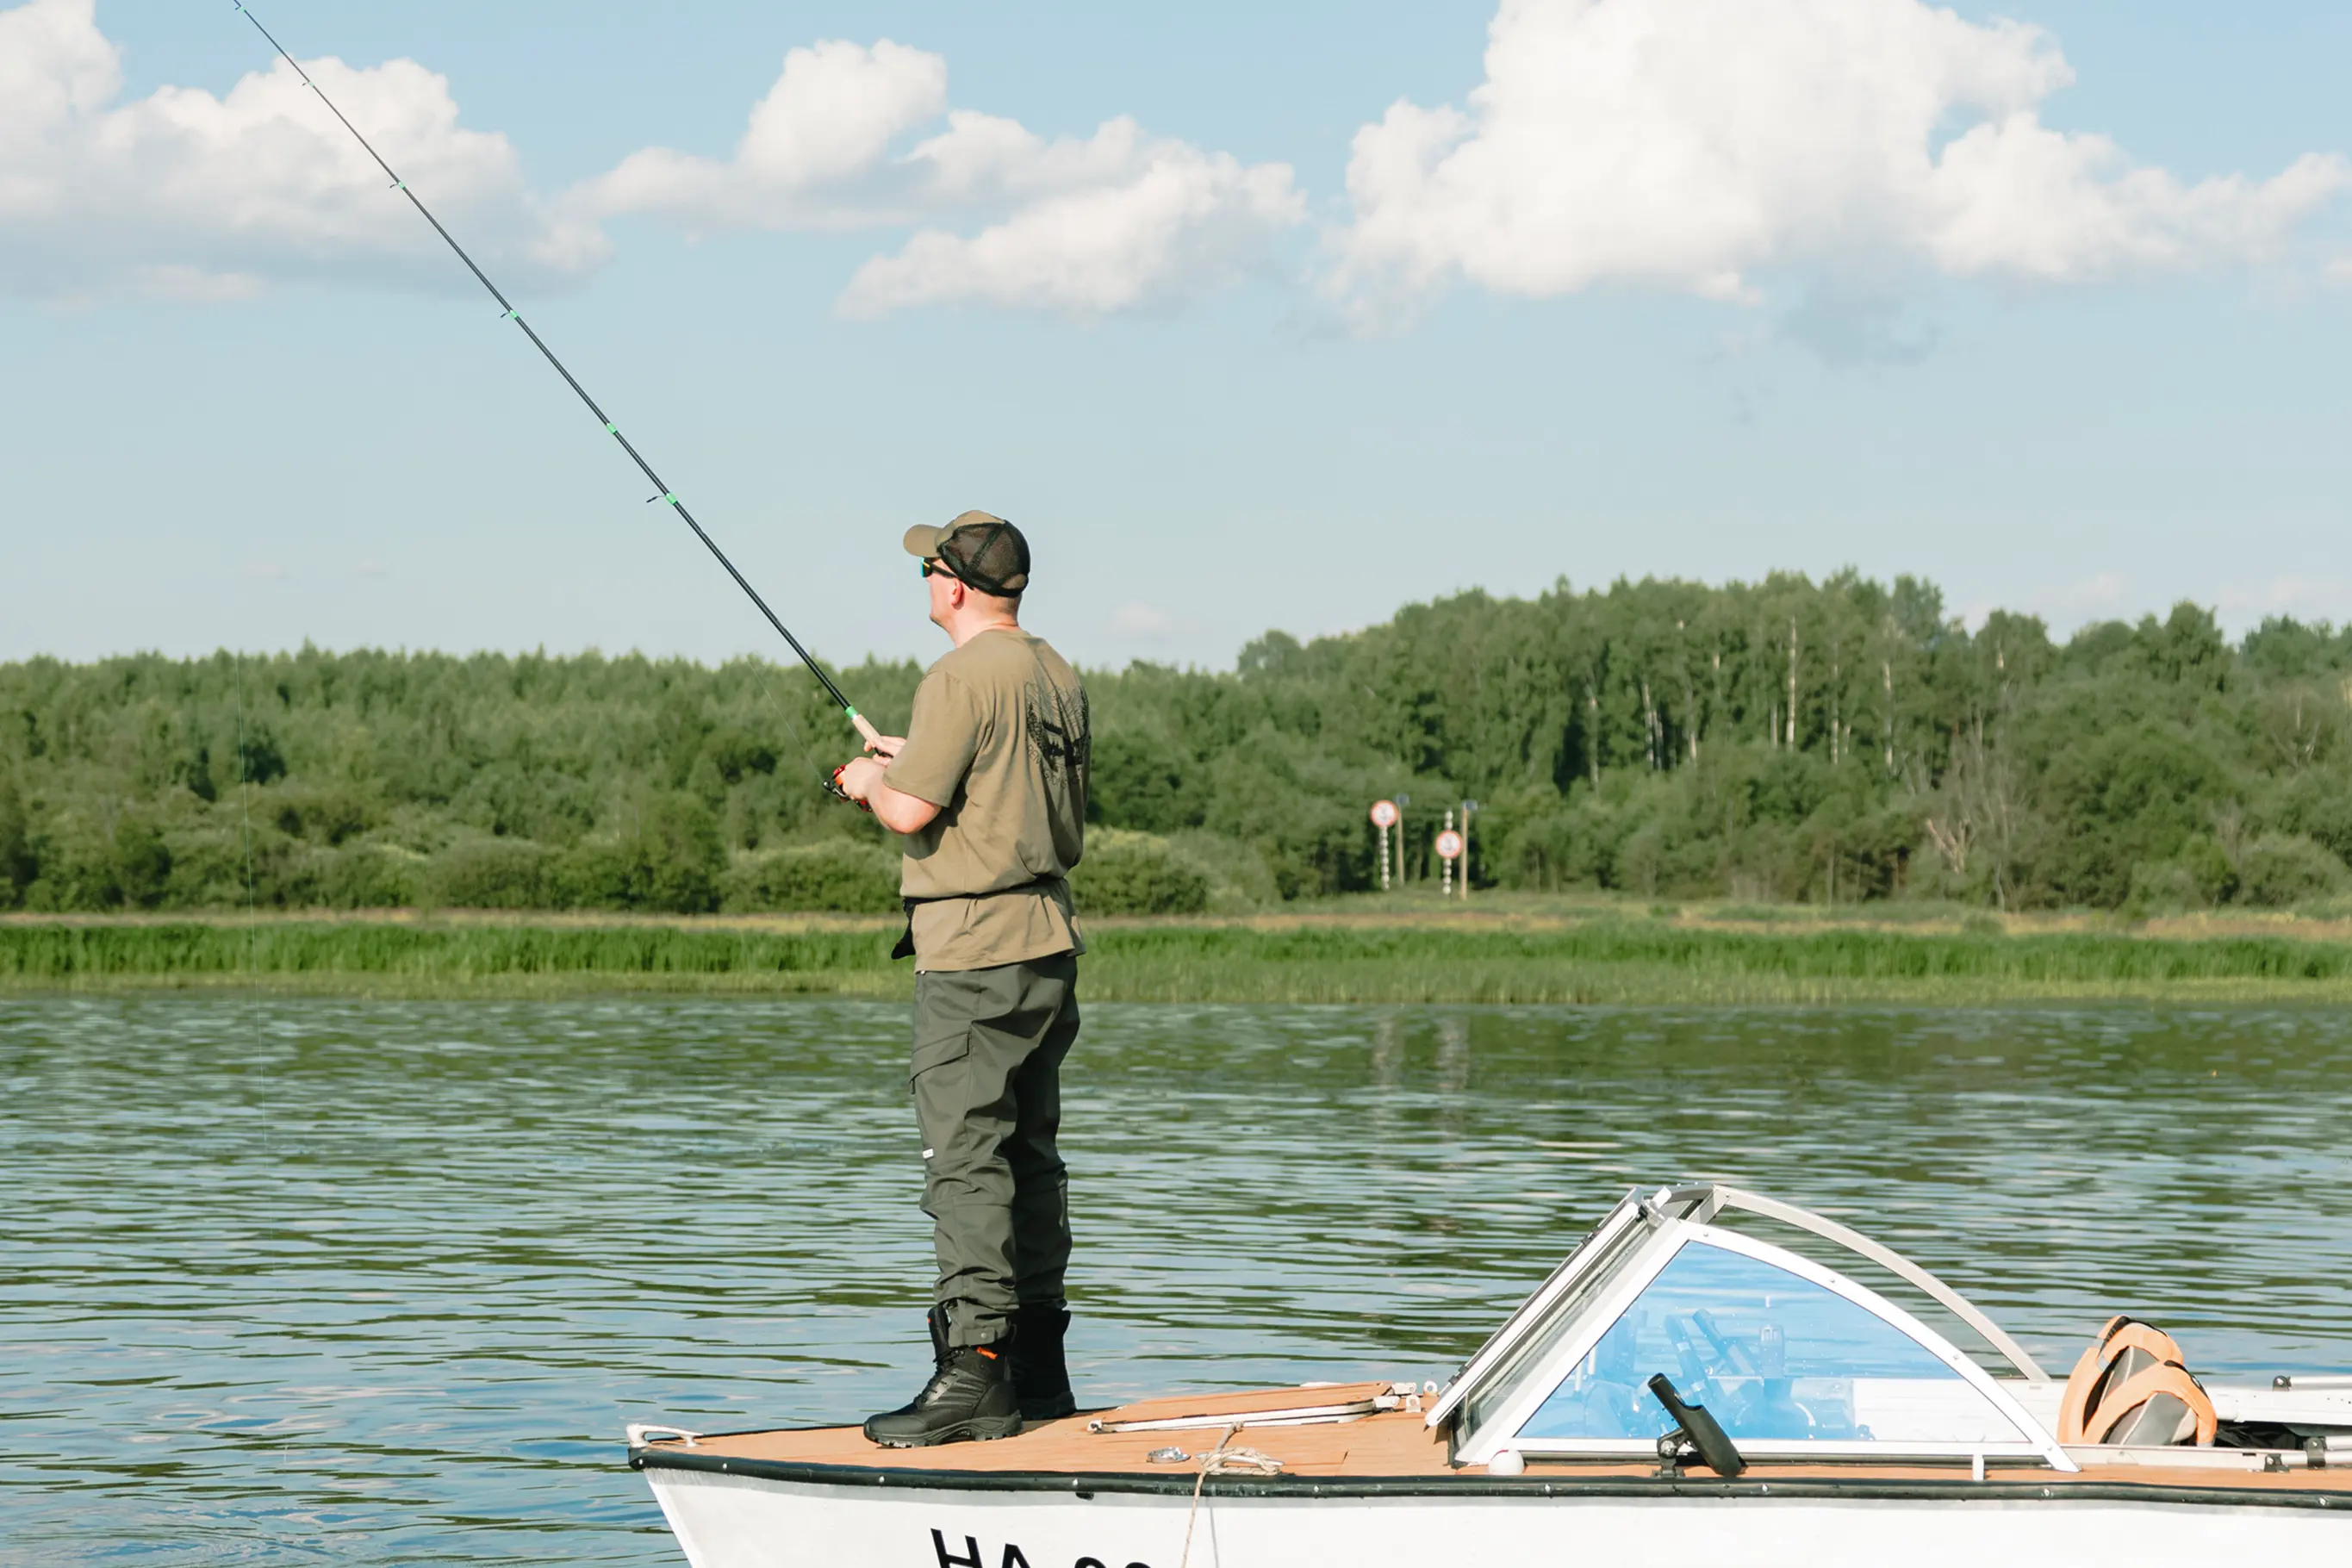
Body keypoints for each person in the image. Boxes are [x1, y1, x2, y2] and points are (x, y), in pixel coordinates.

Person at [833, 511, 1090, 1447]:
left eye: (927, 570)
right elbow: (1000, 783)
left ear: (950, 583)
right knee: (1029, 1154)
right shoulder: (1054, 671)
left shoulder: (956, 676)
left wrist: (865, 779)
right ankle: (1040, 1371)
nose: (925, 585)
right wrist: (918, 755)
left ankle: (975, 1369)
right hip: (1047, 942)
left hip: (974, 948)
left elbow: (909, 811)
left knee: (966, 1158)